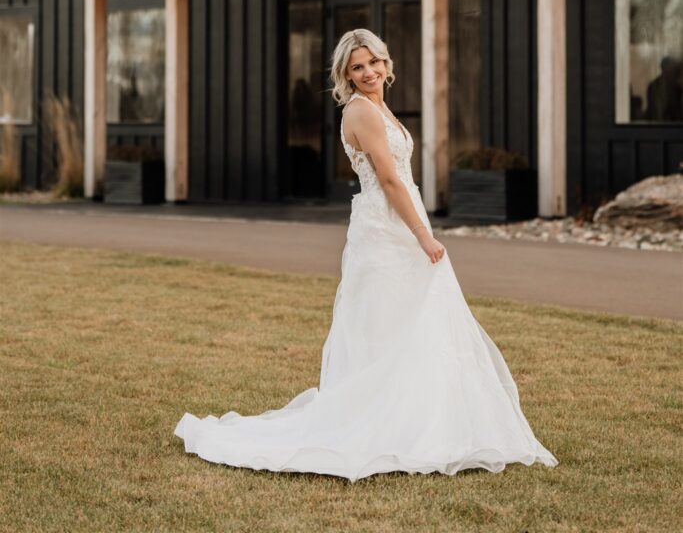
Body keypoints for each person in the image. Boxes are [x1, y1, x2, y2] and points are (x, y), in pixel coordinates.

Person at [173, 28, 558, 481]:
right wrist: (423, 235)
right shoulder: (361, 111)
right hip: (390, 227)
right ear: (346, 75)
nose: (368, 72)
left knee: (415, 319)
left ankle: (423, 419)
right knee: (390, 321)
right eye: (357, 67)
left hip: (396, 221)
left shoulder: (377, 106)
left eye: (373, 62)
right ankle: (390, 424)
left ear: (385, 62)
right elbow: (391, 181)